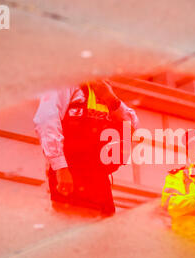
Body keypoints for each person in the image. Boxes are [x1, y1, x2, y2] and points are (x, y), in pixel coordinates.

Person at [33, 80, 139, 216]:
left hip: (99, 179)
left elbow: (133, 127)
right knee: (72, 225)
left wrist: (110, 99)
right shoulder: (65, 86)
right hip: (71, 173)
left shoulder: (102, 90)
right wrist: (61, 167)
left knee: (104, 231)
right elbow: (46, 121)